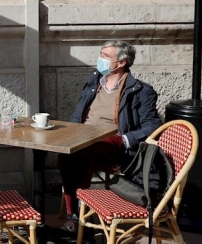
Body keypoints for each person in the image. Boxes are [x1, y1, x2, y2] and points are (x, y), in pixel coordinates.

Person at [59, 40, 162, 231]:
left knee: (80, 153)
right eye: (101, 54)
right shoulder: (93, 82)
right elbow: (79, 113)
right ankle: (74, 212)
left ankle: (77, 214)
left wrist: (124, 139)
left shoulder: (141, 91)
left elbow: (153, 126)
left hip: (115, 147)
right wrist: (69, 131)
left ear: (121, 62)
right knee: (66, 154)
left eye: (106, 56)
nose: (100, 60)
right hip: (83, 139)